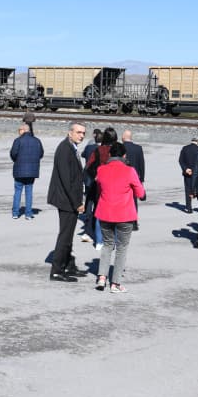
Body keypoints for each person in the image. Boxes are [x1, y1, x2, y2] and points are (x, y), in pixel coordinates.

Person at [93, 141, 145, 293]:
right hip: (124, 215)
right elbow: (141, 193)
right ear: (124, 155)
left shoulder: (101, 170)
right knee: (122, 248)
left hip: (104, 213)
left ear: (109, 155)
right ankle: (115, 283)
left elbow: (100, 187)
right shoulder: (130, 171)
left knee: (107, 245)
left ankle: (102, 277)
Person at [47, 122, 87, 282]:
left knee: (68, 235)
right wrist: (77, 202)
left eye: (83, 133)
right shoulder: (64, 149)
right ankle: (56, 271)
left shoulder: (71, 148)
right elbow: (66, 180)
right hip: (66, 200)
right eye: (78, 132)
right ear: (70, 133)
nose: (82, 135)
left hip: (68, 199)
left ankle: (69, 266)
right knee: (65, 235)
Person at [10, 122, 44, 220]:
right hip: (32, 171)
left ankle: (15, 213)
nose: (18, 132)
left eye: (19, 130)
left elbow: (13, 153)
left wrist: (16, 160)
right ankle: (28, 214)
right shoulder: (37, 141)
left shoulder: (18, 140)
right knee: (29, 191)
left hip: (19, 170)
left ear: (23, 130)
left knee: (18, 191)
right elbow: (41, 154)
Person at [178, 137, 198, 213]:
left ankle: (189, 208)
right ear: (197, 141)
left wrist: (186, 169)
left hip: (187, 173)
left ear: (191, 141)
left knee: (188, 190)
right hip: (197, 173)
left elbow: (181, 160)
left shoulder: (185, 148)